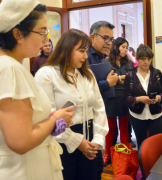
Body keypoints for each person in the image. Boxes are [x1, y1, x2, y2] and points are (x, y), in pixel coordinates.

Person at [0, 0, 73, 180]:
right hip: (20, 172)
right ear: (18, 34)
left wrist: (47, 120)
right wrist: (55, 120)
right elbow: (20, 141)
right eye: (42, 32)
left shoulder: (3, 65)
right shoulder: (9, 69)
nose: (46, 40)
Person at [35, 28, 108, 180]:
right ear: (66, 49)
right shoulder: (47, 74)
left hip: (90, 140)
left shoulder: (86, 74)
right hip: (61, 141)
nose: (85, 56)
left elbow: (99, 107)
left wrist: (97, 139)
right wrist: (76, 141)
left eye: (86, 50)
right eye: (81, 50)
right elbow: (45, 116)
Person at [123, 44, 162, 150]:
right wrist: (139, 99)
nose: (146, 62)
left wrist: (158, 98)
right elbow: (126, 99)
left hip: (155, 115)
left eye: (149, 59)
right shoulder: (130, 76)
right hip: (137, 116)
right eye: (143, 59)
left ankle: (158, 166)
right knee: (142, 145)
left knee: (158, 145)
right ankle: (143, 166)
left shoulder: (157, 73)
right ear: (138, 59)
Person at [87, 21, 117, 180]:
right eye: (105, 38)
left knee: (97, 168)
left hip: (97, 119)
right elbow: (83, 92)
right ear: (92, 37)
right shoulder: (85, 58)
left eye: (111, 39)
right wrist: (107, 84)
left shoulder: (104, 59)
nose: (109, 43)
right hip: (84, 123)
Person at [103, 37, 134, 166]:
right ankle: (108, 155)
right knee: (110, 129)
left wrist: (118, 78)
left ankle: (124, 154)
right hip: (110, 98)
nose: (125, 50)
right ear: (116, 47)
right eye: (123, 47)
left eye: (127, 47)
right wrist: (122, 79)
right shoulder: (106, 62)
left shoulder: (129, 63)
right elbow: (105, 80)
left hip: (124, 97)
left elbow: (131, 79)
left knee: (124, 128)